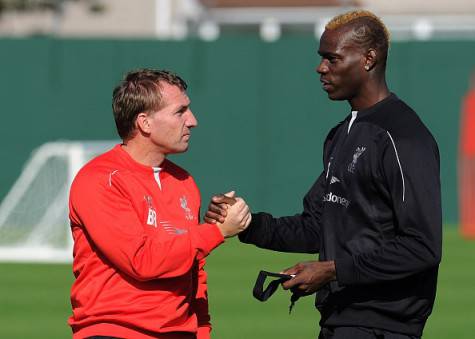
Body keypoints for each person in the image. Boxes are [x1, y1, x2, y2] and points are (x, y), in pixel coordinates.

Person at [205, 10, 442, 339]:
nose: (321, 68)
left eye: (332, 58)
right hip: (339, 319)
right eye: (321, 58)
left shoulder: (403, 137)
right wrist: (248, 224)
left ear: (369, 58)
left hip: (382, 325)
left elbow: (422, 247)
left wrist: (332, 270)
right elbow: (317, 227)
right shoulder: (340, 134)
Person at [68, 69, 251, 339]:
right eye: (180, 112)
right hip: (115, 332)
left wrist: (202, 330)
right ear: (145, 122)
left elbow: (193, 268)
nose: (193, 121)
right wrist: (216, 232)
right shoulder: (100, 180)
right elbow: (141, 260)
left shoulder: (184, 181)